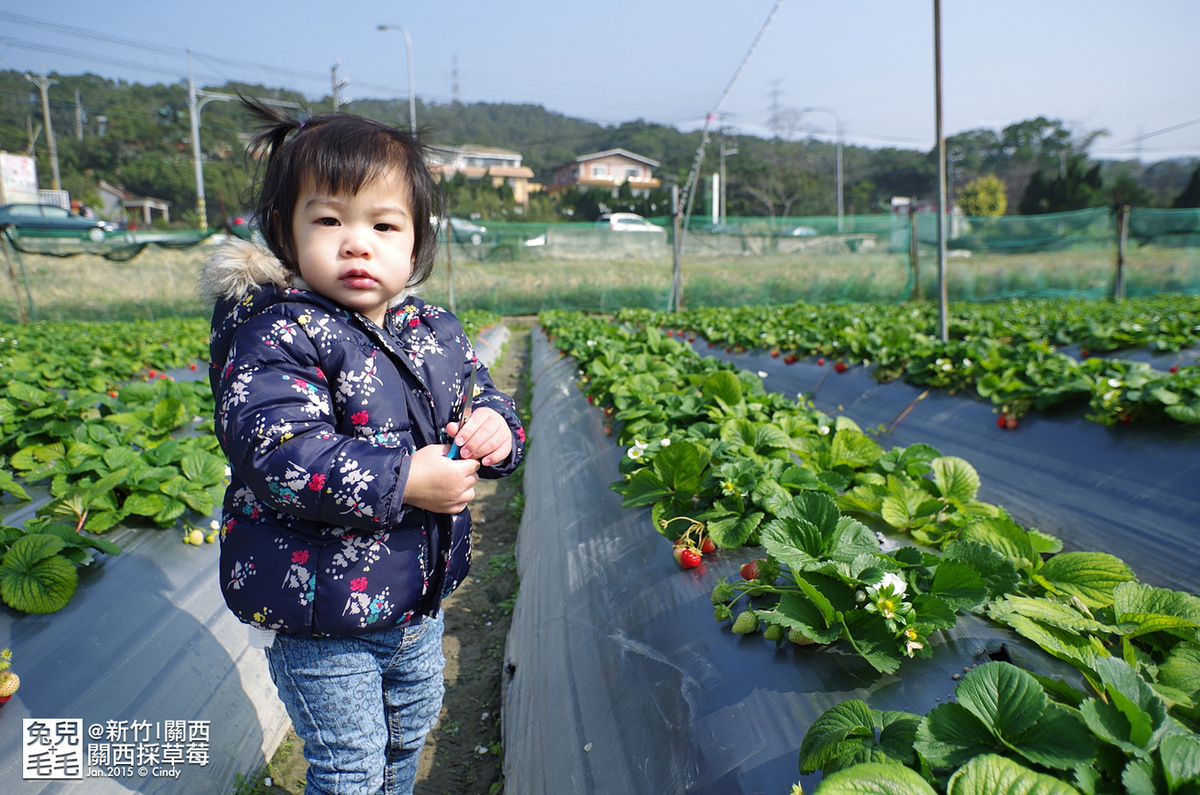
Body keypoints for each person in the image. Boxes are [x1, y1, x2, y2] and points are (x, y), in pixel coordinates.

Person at [199, 98, 525, 794]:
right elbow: (280, 454)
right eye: (329, 220)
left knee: (409, 729)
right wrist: (404, 477)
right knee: (349, 765)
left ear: (416, 243)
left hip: (417, 600)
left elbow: (485, 399)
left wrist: (496, 431)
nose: (357, 242)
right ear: (287, 236)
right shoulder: (278, 335)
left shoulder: (435, 332)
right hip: (325, 617)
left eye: (382, 223)